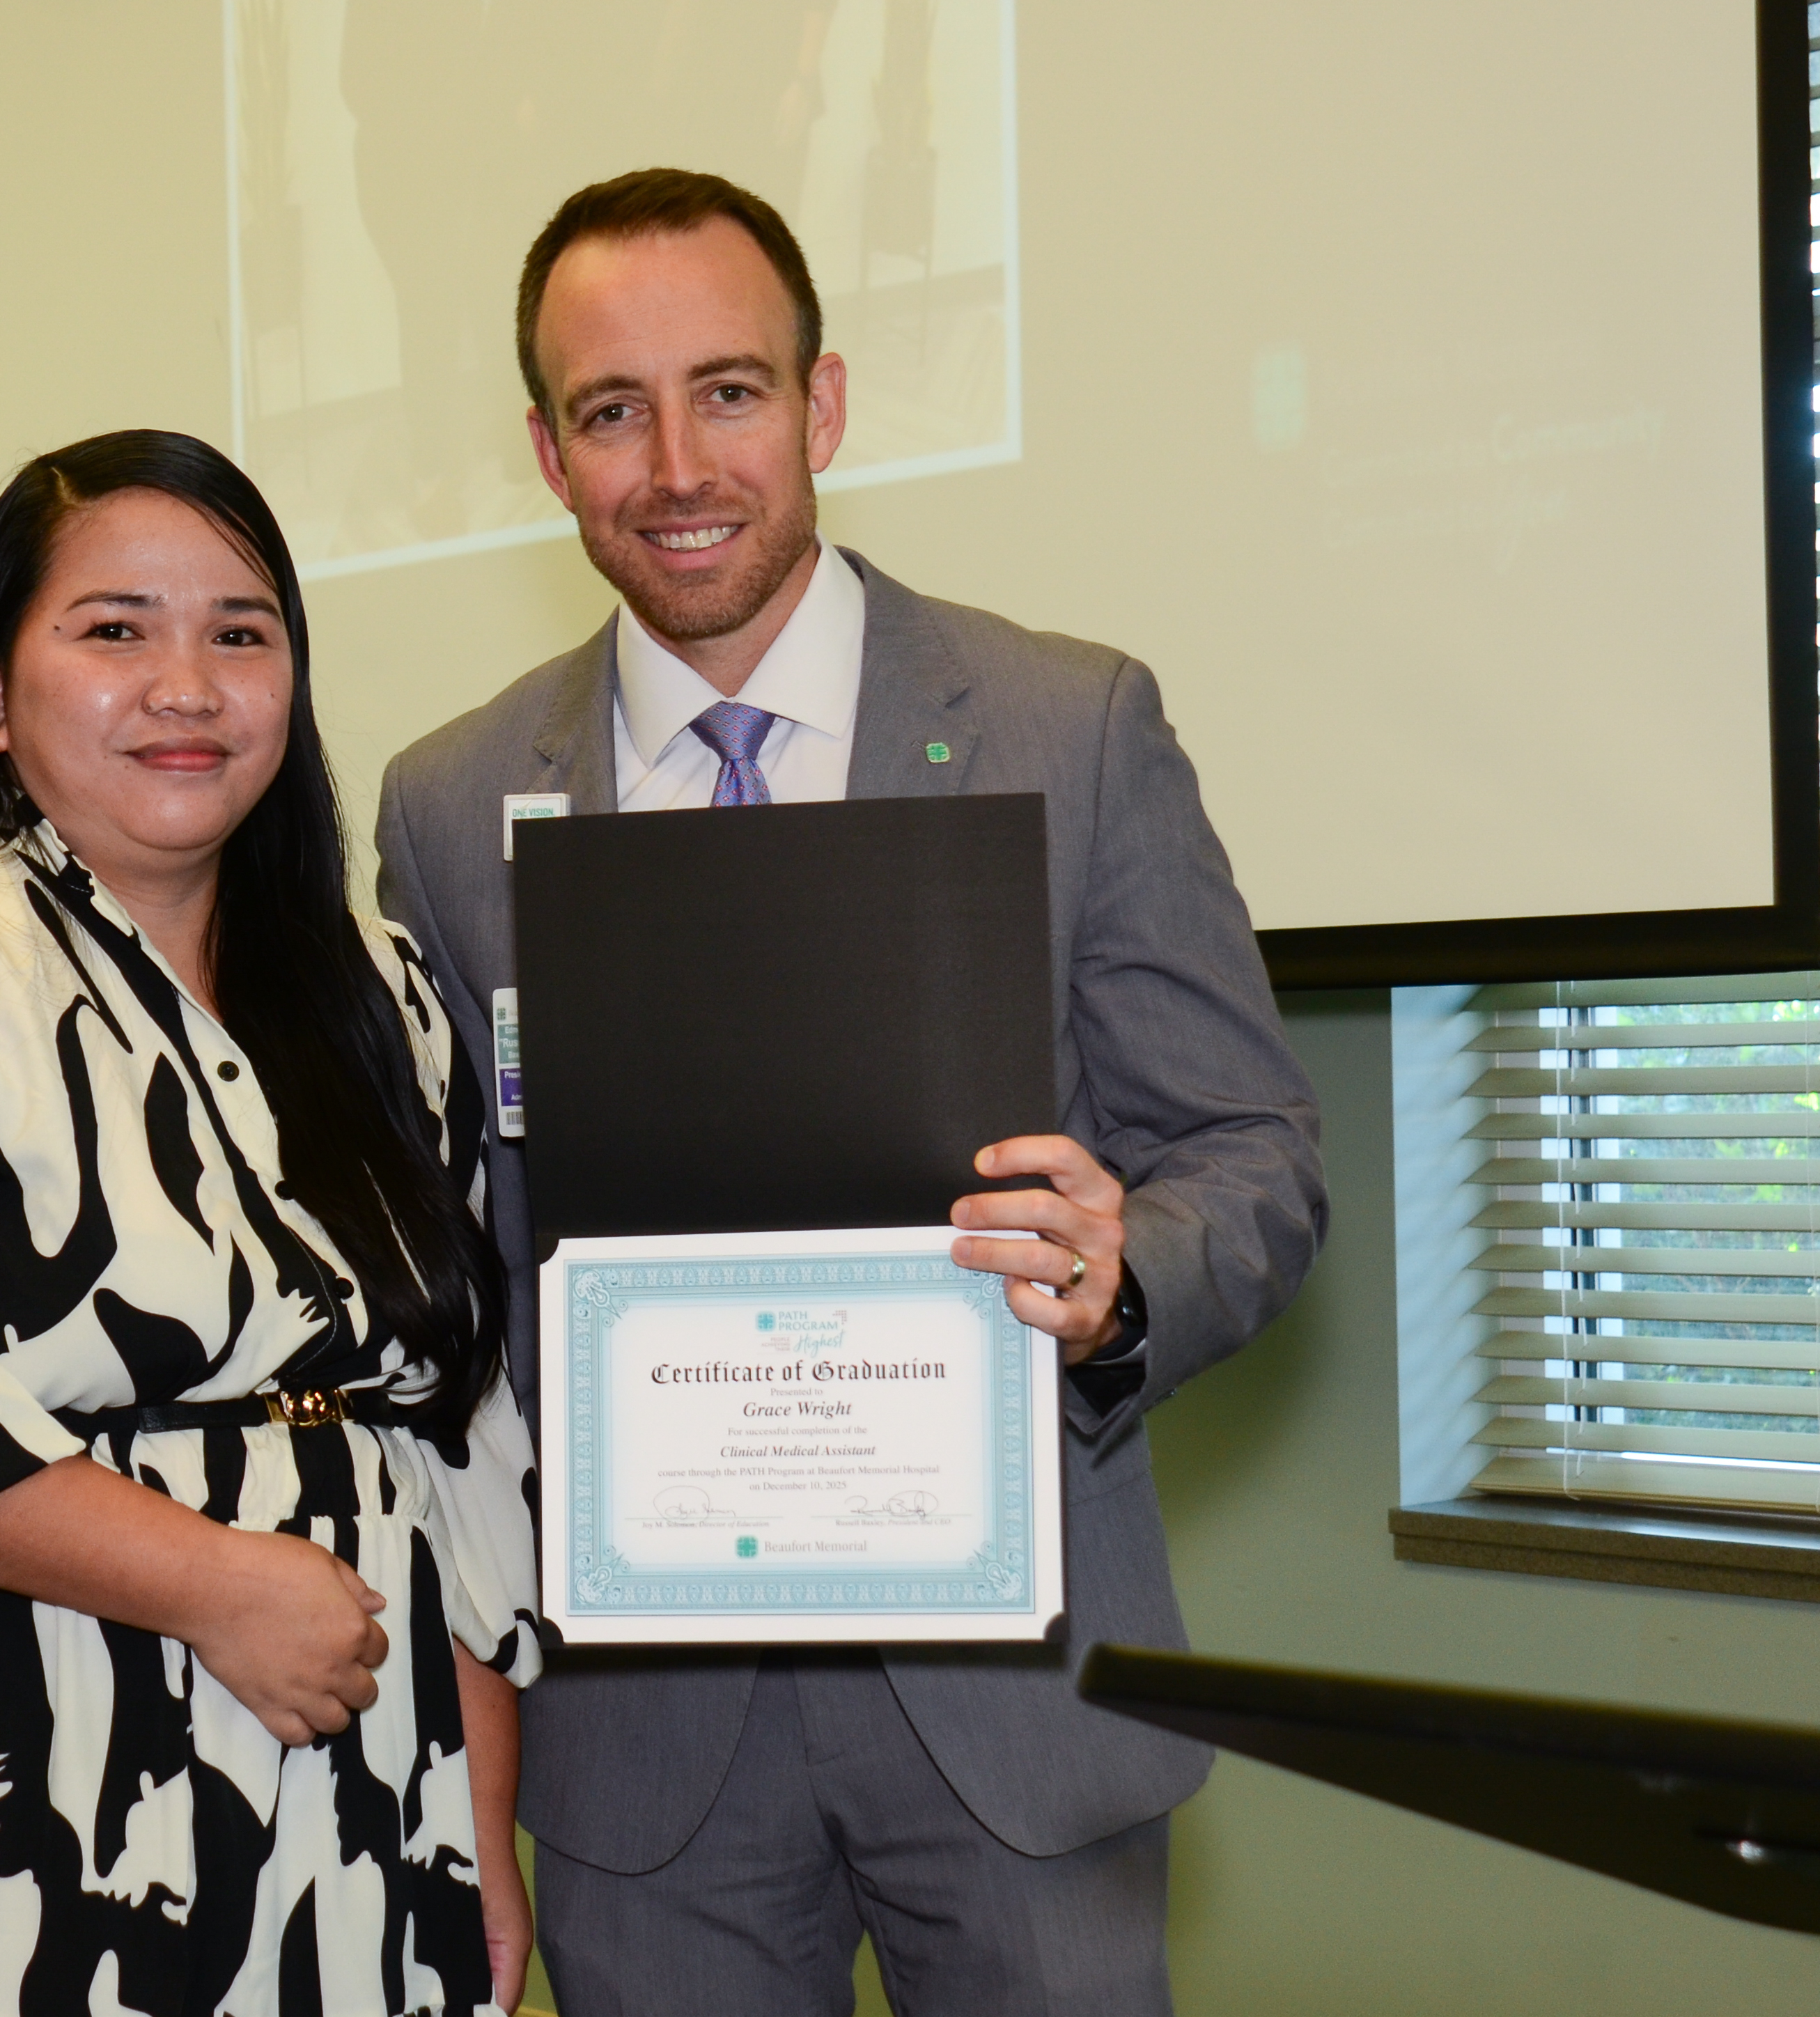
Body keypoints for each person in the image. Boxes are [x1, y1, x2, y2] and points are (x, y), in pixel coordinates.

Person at [373, 170, 1328, 2015]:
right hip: (644, 1746)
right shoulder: (447, 803)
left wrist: (1125, 1274)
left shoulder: (1070, 724)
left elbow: (1251, 1153)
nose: (673, 464)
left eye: (725, 391)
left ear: (818, 405)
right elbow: (458, 1267)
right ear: (545, 452)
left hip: (1009, 1712)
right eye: (607, 410)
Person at [0, 430, 542, 2017]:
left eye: (241, 631)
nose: (188, 684)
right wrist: (215, 1582)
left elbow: (463, 1436)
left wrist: (482, 1828)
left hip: (360, 1801)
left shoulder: (386, 998)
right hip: (7, 1773)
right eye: (115, 628)